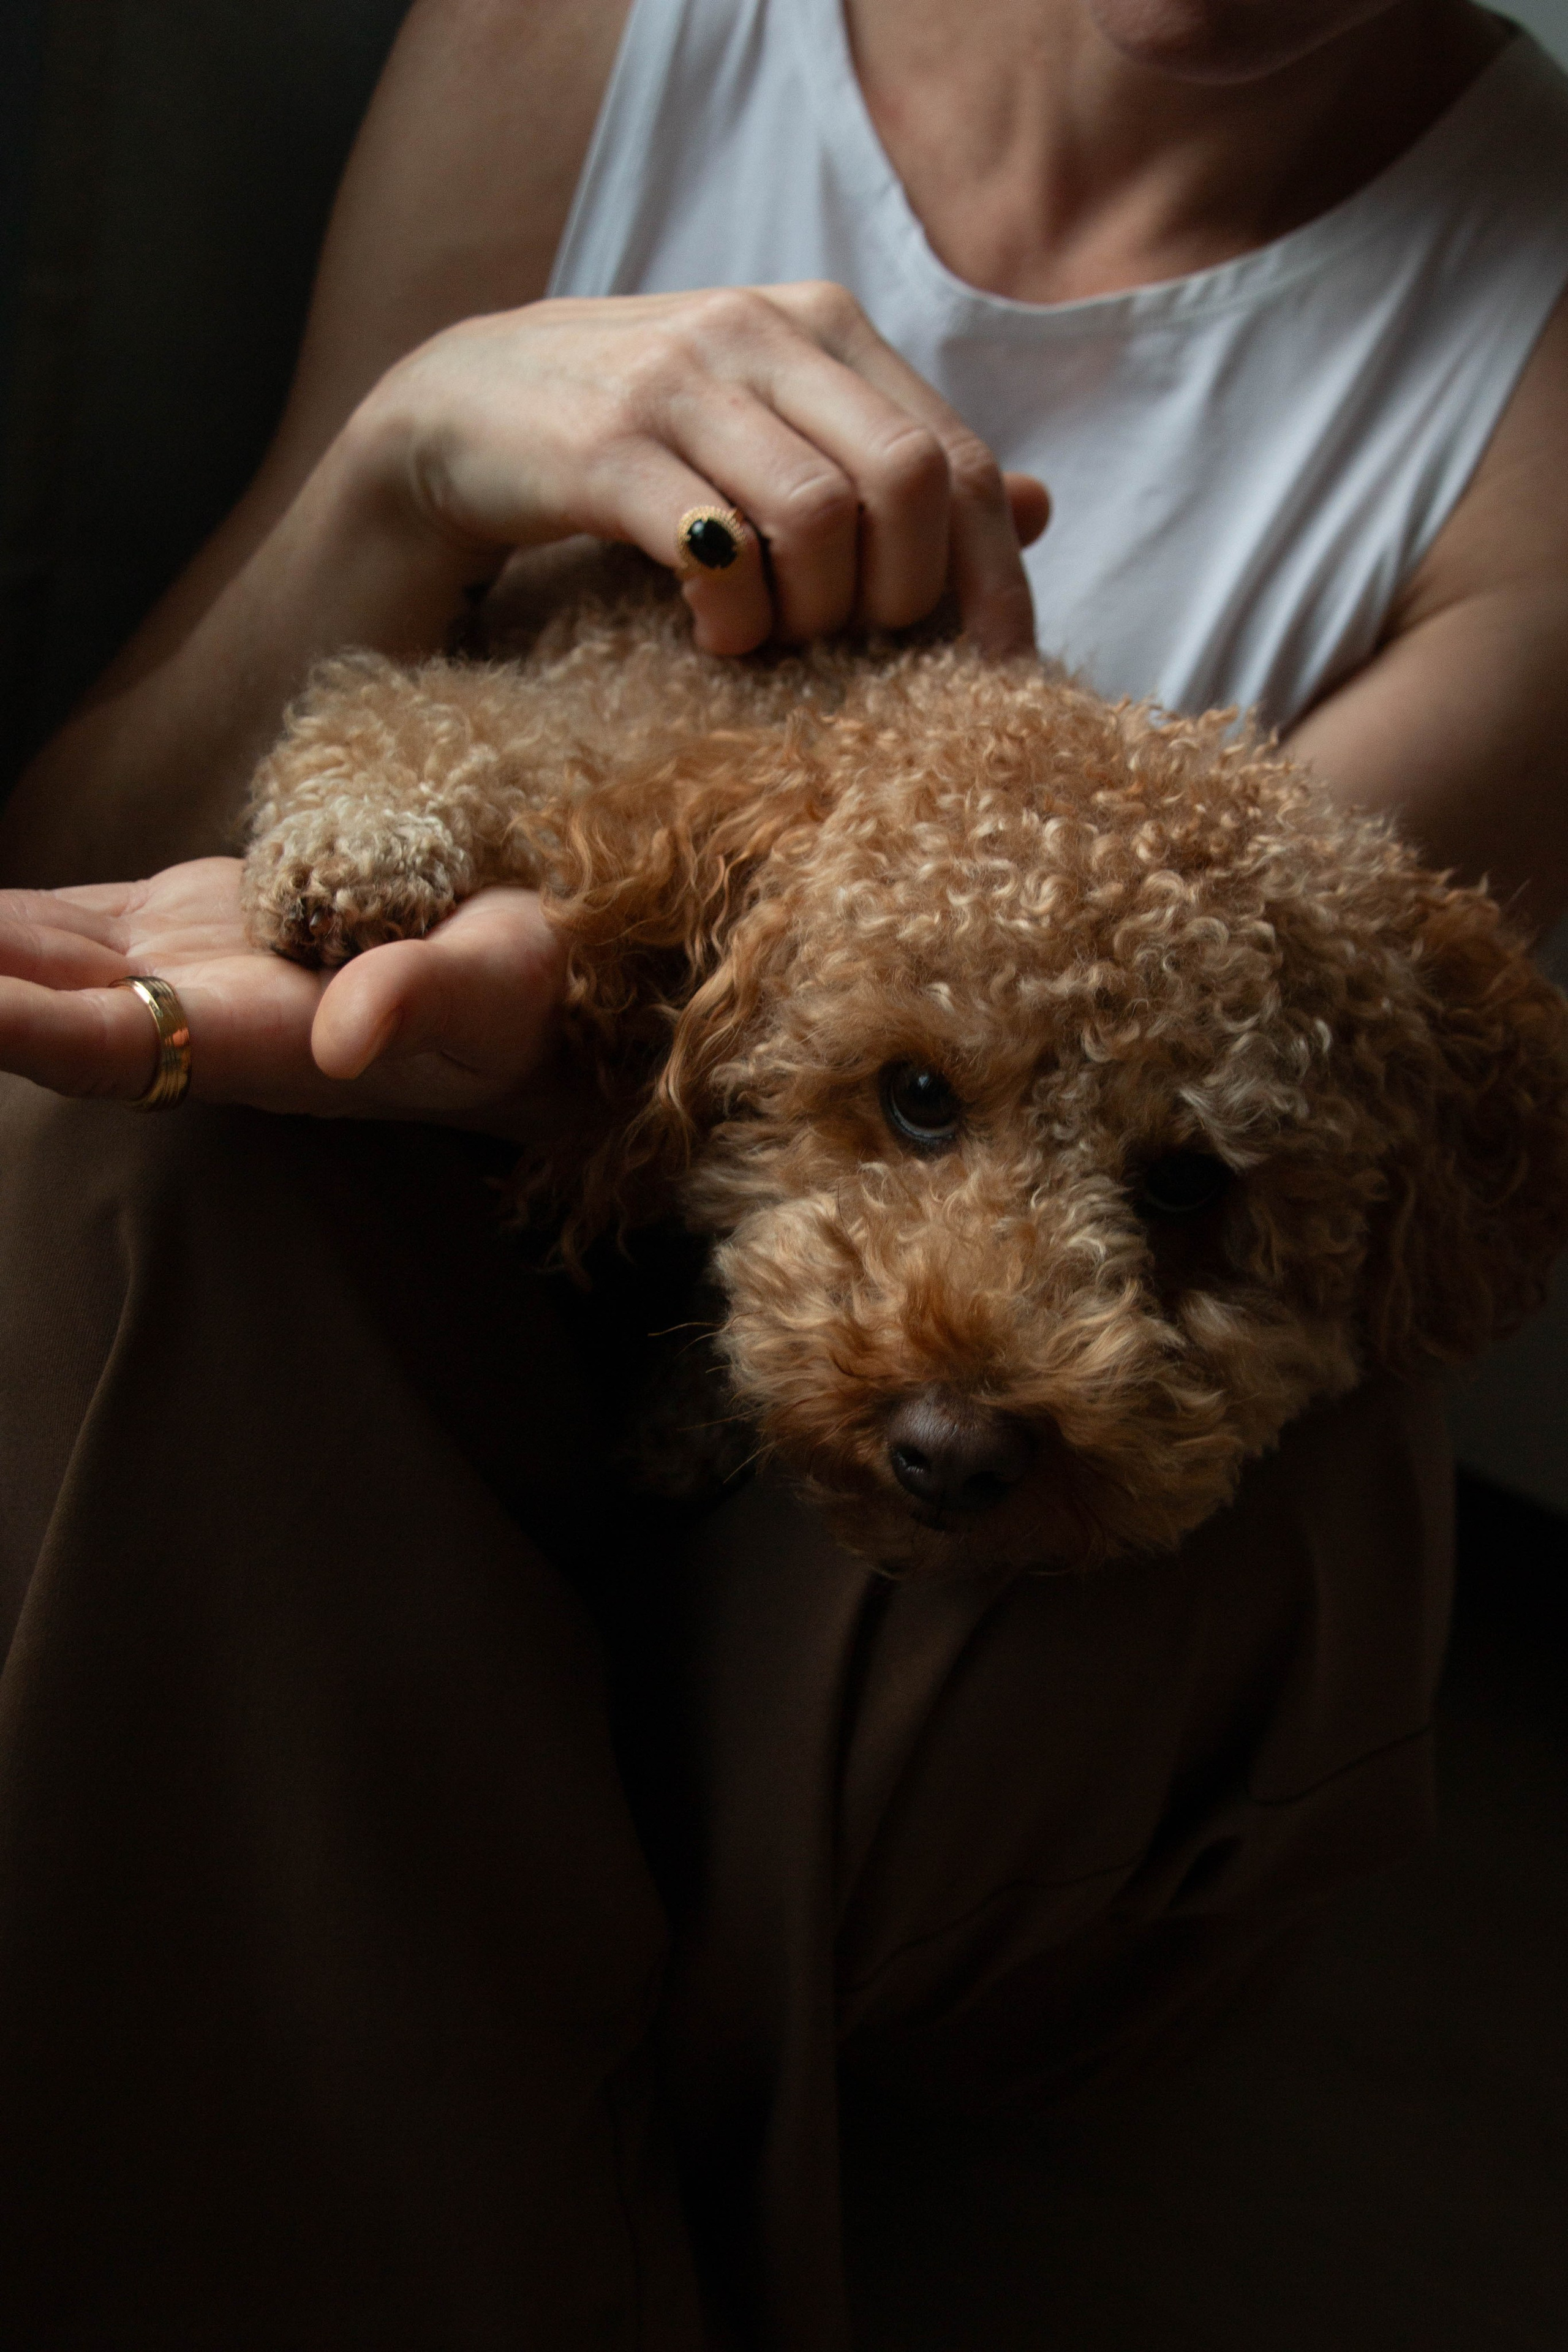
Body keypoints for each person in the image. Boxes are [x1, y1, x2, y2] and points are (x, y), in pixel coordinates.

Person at [0, 0, 1563, 2342]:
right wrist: (407, 467)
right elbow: (70, 889)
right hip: (432, 1274)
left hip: (908, 1562)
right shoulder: (571, 36)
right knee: (144, 1151)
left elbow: (1270, 1079)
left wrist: (640, 1068)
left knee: (1185, 1537)